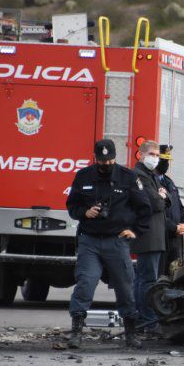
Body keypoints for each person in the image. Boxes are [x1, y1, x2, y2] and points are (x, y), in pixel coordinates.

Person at [66, 139, 152, 349]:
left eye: (110, 160)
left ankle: (131, 334)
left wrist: (135, 231)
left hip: (117, 240)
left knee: (124, 286)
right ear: (95, 158)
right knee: (85, 283)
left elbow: (145, 208)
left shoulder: (128, 177)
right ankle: (76, 331)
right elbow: (72, 205)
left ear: (115, 158)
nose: (106, 164)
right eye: (102, 161)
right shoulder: (83, 176)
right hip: (90, 240)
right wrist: (85, 213)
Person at [129, 141, 169, 337]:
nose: (155, 157)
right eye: (152, 154)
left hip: (153, 236)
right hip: (148, 235)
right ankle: (147, 319)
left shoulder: (150, 176)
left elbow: (162, 199)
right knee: (147, 279)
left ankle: (142, 317)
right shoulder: (140, 175)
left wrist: (161, 196)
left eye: (157, 154)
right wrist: (160, 197)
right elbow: (155, 203)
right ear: (141, 154)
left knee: (143, 278)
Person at [155, 145, 184, 277]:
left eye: (167, 160)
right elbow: (157, 213)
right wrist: (173, 227)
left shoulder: (170, 183)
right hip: (161, 239)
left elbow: (181, 209)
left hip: (175, 241)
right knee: (159, 277)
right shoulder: (152, 183)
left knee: (174, 277)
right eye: (163, 160)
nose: (166, 164)